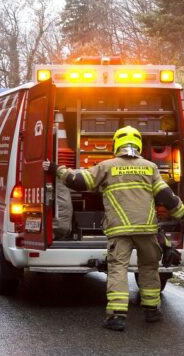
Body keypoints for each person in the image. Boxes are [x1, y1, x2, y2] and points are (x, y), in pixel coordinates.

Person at [43, 126, 184, 331]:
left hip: (119, 230)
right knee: (149, 268)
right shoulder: (150, 167)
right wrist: (181, 215)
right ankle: (152, 311)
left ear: (116, 143)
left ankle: (117, 316)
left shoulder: (107, 166)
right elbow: (166, 197)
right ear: (138, 144)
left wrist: (57, 169)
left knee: (118, 268)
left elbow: (79, 181)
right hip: (147, 229)